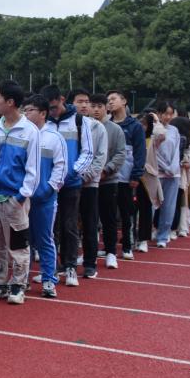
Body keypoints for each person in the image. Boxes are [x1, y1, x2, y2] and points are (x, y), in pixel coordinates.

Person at [0, 81, 39, 305]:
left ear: (10, 102)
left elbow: (33, 169)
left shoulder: (29, 131)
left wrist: (21, 196)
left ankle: (18, 285)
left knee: (18, 244)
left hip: (14, 198)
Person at [39, 85, 93, 286]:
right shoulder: (44, 123)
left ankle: (70, 266)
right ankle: (50, 268)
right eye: (48, 109)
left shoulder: (79, 121)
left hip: (70, 183)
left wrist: (72, 171)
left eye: (54, 107)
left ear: (62, 100)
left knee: (69, 225)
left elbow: (87, 152)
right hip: (48, 184)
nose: (52, 112)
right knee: (49, 227)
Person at [23, 95, 67, 298]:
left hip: (44, 200)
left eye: (30, 110)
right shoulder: (22, 135)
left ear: (43, 113)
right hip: (22, 198)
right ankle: (21, 279)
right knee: (23, 241)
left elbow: (61, 167)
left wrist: (48, 189)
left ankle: (49, 279)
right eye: (25, 110)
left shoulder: (54, 137)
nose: (26, 114)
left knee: (44, 239)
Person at [70, 89, 106, 279]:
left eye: (87, 102)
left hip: (89, 183)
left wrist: (84, 176)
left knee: (90, 223)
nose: (84, 105)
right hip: (67, 183)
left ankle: (90, 263)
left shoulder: (97, 127)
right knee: (67, 224)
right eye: (80, 101)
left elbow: (100, 157)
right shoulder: (66, 125)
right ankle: (67, 262)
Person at [107, 90, 146, 259]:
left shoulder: (134, 126)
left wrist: (136, 175)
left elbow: (140, 152)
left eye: (113, 99)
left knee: (126, 212)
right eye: (108, 100)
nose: (110, 102)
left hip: (126, 177)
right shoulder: (105, 124)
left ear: (124, 101)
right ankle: (109, 247)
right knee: (108, 213)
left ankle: (127, 245)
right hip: (108, 177)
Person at [92, 94, 125, 268]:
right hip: (89, 181)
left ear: (106, 108)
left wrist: (106, 170)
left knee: (109, 218)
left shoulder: (115, 129)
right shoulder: (85, 127)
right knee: (89, 219)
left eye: (100, 106)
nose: (96, 110)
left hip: (108, 180)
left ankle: (111, 252)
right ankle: (90, 252)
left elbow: (120, 153)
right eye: (93, 106)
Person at [136, 112, 166, 249]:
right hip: (132, 177)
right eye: (139, 123)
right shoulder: (131, 138)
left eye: (144, 124)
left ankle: (143, 240)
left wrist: (156, 120)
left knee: (145, 209)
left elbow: (162, 134)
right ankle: (130, 237)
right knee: (129, 210)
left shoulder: (153, 139)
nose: (141, 126)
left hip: (147, 179)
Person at [155, 102, 181, 247]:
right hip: (157, 173)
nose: (168, 117)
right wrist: (165, 167)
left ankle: (163, 236)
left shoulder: (174, 130)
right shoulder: (153, 129)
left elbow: (177, 151)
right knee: (152, 205)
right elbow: (153, 152)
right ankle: (146, 234)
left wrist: (173, 168)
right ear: (159, 114)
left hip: (173, 174)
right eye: (165, 113)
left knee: (169, 207)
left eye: (171, 114)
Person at [171, 116, 190, 238]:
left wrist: (178, 162)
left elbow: (188, 163)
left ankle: (177, 228)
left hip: (181, 177)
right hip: (168, 175)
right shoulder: (171, 139)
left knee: (179, 204)